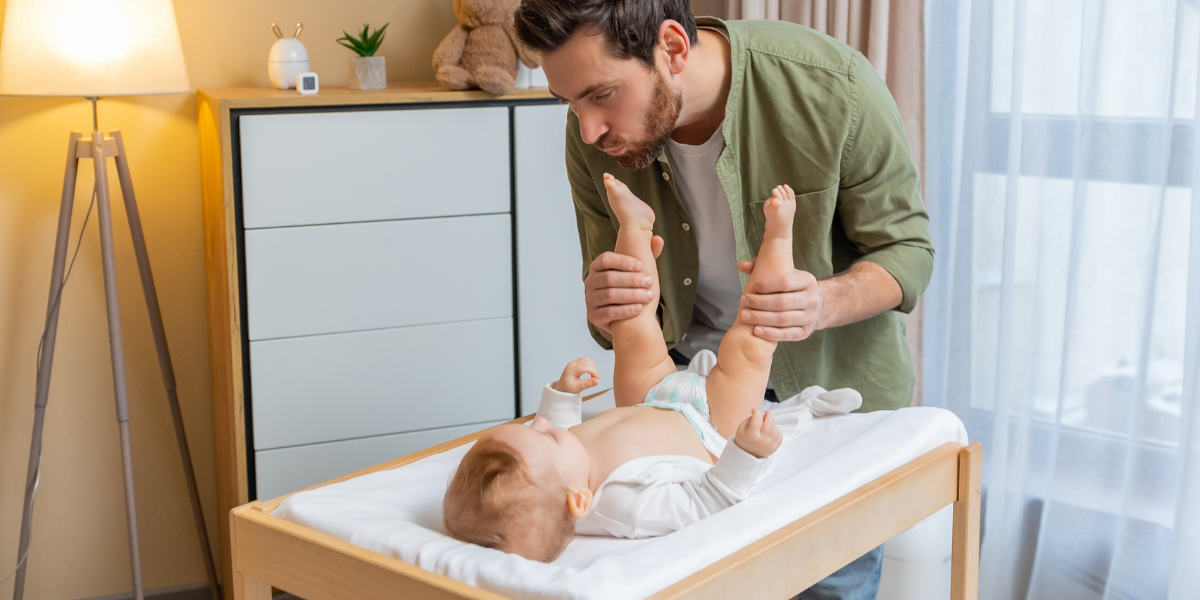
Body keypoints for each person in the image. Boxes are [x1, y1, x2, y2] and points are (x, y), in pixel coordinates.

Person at [514, 0, 934, 596]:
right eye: (569, 102)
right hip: (678, 394)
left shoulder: (830, 85)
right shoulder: (592, 133)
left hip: (824, 384)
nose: (586, 130)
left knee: (830, 586)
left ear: (673, 48)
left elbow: (909, 253)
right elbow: (620, 315)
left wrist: (821, 302)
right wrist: (607, 303)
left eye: (602, 95)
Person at [443, 178, 859, 561]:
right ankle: (778, 238)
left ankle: (636, 229)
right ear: (580, 502)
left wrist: (563, 395)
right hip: (712, 424)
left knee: (632, 324)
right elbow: (704, 503)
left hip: (648, 396)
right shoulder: (624, 509)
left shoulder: (557, 463)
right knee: (753, 339)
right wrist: (745, 452)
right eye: (547, 436)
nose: (541, 425)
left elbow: (554, 428)